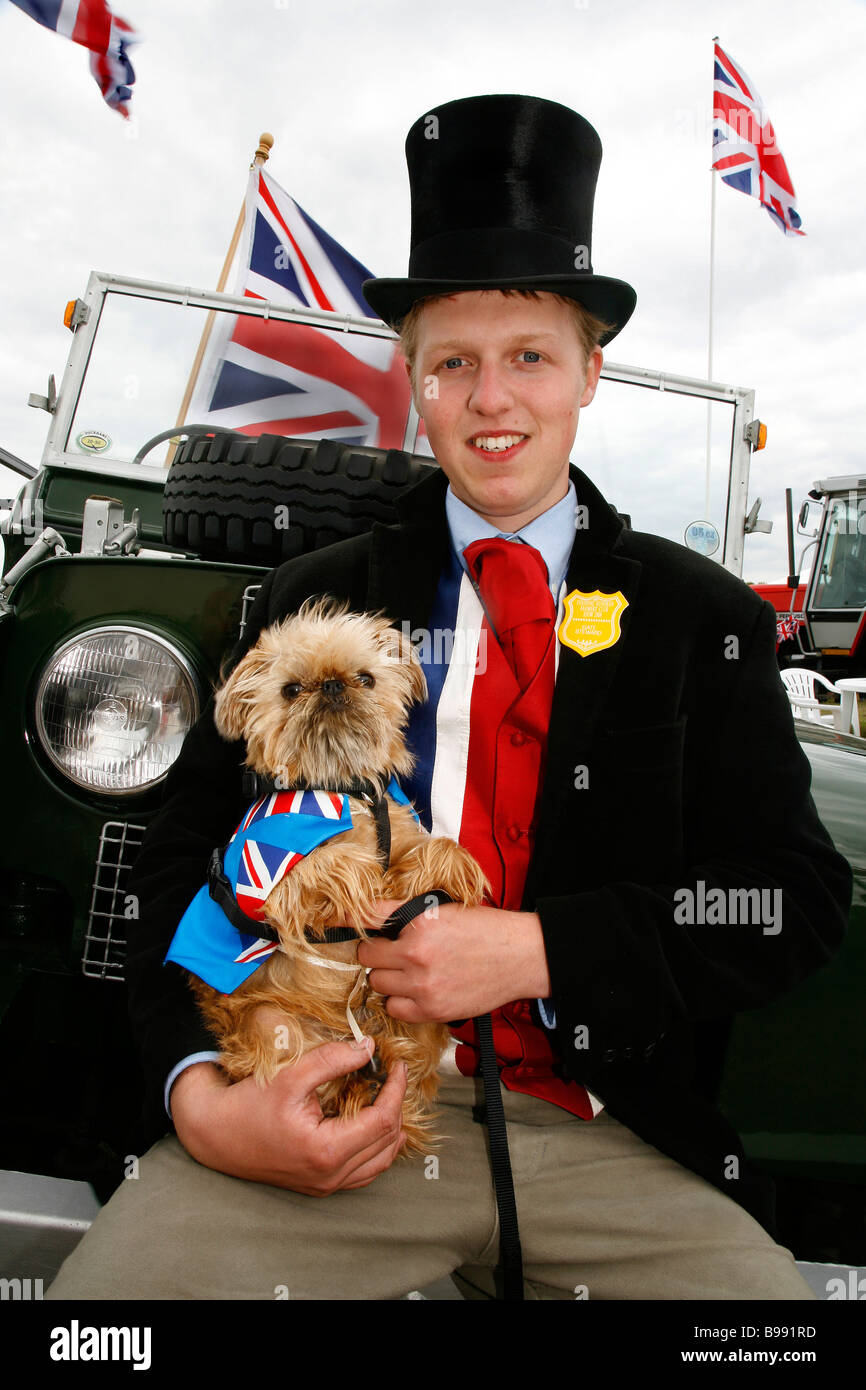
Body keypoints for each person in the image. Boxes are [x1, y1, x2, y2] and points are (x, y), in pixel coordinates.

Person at [46, 94, 850, 1301]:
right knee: (99, 1327)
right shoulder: (309, 599)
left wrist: (539, 948)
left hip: (603, 1132)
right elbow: (170, 870)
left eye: (529, 355)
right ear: (409, 378)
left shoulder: (705, 622)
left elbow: (786, 902)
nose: (491, 399)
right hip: (310, 1099)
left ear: (590, 370)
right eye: (452, 363)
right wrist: (205, 1104)